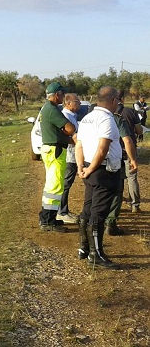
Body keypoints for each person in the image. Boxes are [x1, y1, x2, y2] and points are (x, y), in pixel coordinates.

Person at [75, 86, 122, 269]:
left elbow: (79, 145)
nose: (118, 102)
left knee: (88, 209)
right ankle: (96, 254)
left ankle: (84, 248)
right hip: (103, 171)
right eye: (117, 99)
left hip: (89, 169)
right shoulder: (106, 119)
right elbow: (102, 150)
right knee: (98, 213)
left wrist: (82, 167)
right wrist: (91, 168)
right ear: (113, 100)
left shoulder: (87, 118)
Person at [38, 82, 76, 232]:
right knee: (55, 186)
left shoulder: (47, 108)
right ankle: (47, 221)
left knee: (52, 185)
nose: (63, 96)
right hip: (55, 150)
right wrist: (67, 132)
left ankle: (49, 217)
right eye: (62, 93)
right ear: (56, 95)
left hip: (52, 149)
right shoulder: (52, 109)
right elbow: (70, 128)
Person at [106, 111, 138, 235]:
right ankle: (111, 222)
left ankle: (95, 220)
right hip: (114, 159)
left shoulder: (90, 117)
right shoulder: (117, 119)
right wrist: (133, 159)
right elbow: (127, 141)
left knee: (97, 190)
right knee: (116, 191)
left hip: (94, 160)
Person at [117, 91, 143, 213]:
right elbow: (139, 130)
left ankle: (117, 202)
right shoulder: (130, 112)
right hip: (129, 148)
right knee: (131, 177)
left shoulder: (109, 113)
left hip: (113, 150)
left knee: (116, 177)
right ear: (122, 99)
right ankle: (135, 205)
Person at [58, 93, 81, 223]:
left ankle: (64, 210)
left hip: (73, 155)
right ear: (68, 103)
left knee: (67, 184)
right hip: (69, 156)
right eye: (76, 101)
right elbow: (70, 137)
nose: (79, 104)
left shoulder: (72, 116)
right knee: (65, 184)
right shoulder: (65, 117)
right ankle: (61, 212)